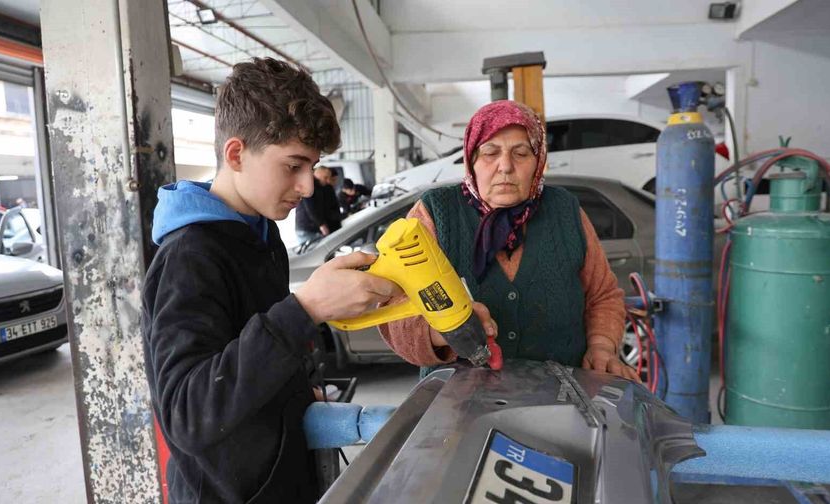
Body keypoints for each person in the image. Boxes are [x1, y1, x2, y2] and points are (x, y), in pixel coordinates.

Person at [141, 57, 400, 504]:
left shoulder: (262, 237)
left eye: (312, 166)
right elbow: (187, 413)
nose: (306, 186)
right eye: (293, 165)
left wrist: (296, 393)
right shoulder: (189, 257)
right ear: (236, 154)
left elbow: (249, 355)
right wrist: (305, 310)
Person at [380, 100, 639, 382]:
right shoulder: (435, 212)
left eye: (521, 153)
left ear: (537, 160)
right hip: (457, 404)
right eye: (490, 152)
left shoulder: (565, 210)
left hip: (559, 401)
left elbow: (602, 296)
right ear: (471, 160)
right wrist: (441, 332)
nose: (505, 166)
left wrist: (602, 347)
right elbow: (395, 308)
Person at [295, 166, 341, 242]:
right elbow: (311, 208)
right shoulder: (309, 185)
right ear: (318, 174)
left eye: (328, 178)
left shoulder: (319, 187)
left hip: (314, 228)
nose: (327, 181)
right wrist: (322, 225)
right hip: (307, 229)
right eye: (325, 177)